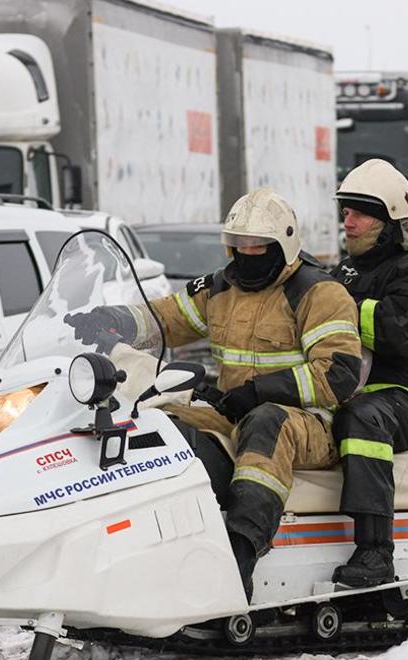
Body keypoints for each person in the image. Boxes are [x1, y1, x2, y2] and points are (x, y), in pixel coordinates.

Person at [66, 187, 364, 600]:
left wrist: (261, 391)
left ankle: (237, 558)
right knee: (157, 421)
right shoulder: (222, 289)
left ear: (283, 245)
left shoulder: (319, 293)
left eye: (257, 247)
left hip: (310, 422)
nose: (245, 254)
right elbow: (164, 319)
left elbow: (338, 375)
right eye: (237, 246)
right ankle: (138, 544)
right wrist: (113, 317)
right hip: (233, 410)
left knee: (267, 422)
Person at [329, 159, 408, 588]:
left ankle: (376, 551)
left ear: (390, 220)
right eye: (345, 210)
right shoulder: (345, 270)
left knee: (363, 417)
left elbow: (397, 330)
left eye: (360, 212)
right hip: (345, 389)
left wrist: (337, 308)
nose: (349, 221)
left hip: (405, 398)